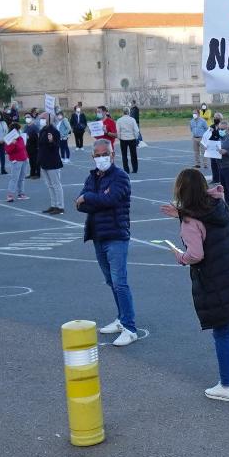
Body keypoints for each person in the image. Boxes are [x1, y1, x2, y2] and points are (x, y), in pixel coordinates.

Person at [160, 169, 229, 401]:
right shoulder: (217, 205)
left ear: (181, 191)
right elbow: (203, 215)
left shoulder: (190, 220)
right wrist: (180, 213)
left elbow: (196, 254)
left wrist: (180, 256)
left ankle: (226, 385)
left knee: (221, 331)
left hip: (217, 280)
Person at [76, 139, 138, 346]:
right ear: (92, 157)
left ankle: (129, 328)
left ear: (113, 155)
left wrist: (89, 198)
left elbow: (110, 201)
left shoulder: (120, 177)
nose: (101, 158)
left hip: (116, 236)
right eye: (97, 154)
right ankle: (121, 319)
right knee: (111, 281)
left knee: (120, 282)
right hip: (98, 236)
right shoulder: (91, 177)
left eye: (105, 154)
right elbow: (80, 204)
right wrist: (94, 198)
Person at [38, 112, 65, 214]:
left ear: (49, 118)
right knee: (49, 185)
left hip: (52, 161)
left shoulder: (54, 131)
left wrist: (51, 141)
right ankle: (53, 204)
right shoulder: (42, 130)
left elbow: (56, 146)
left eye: (43, 117)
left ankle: (60, 206)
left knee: (56, 184)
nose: (42, 119)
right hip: (44, 160)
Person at [3, 120, 30, 202]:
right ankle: (10, 195)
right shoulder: (9, 139)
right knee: (14, 178)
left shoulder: (20, 137)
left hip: (24, 159)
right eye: (18, 129)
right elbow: (8, 151)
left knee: (22, 178)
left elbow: (23, 147)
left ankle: (21, 193)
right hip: (16, 160)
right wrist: (12, 143)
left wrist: (27, 157)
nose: (19, 131)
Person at [115, 108, 139, 174]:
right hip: (132, 138)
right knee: (133, 155)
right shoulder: (132, 120)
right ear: (129, 112)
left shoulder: (119, 120)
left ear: (123, 112)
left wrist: (119, 137)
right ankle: (135, 169)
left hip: (123, 139)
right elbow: (136, 130)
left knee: (124, 155)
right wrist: (136, 137)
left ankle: (126, 170)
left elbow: (118, 131)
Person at [24, 111, 41, 180]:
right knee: (31, 161)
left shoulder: (35, 127)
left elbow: (38, 136)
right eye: (25, 117)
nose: (27, 118)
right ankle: (32, 173)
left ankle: (37, 174)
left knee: (36, 161)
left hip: (35, 146)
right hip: (28, 147)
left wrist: (38, 146)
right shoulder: (25, 127)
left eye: (28, 117)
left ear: (31, 118)